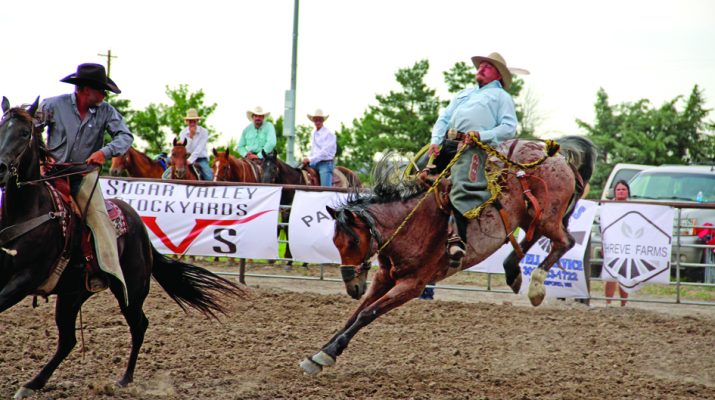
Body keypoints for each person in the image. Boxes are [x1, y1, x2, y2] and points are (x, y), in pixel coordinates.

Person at [40, 63, 133, 301]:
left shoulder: (106, 111)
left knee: (99, 219)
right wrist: (42, 156)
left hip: (83, 176)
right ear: (85, 89)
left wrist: (104, 152)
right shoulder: (52, 105)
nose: (104, 95)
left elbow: (125, 136)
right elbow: (30, 127)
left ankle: (104, 270)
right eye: (101, 90)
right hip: (50, 174)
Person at [427, 52, 518, 266]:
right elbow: (444, 118)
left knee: (463, 183)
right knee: (418, 175)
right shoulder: (464, 93)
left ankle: (458, 240)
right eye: (481, 65)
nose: (481, 68)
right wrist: (435, 140)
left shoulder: (501, 97)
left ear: (498, 75)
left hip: (474, 147)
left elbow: (509, 127)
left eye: (488, 66)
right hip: (447, 143)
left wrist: (481, 135)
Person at [604, 179, 630, 306]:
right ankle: (608, 303)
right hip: (611, 243)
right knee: (611, 275)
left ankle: (623, 304)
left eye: (623, 189)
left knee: (625, 276)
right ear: (614, 192)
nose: (621, 192)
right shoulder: (607, 206)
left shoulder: (634, 207)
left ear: (628, 192)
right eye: (618, 189)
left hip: (627, 244)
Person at [303, 109, 336, 186]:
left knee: (325, 189)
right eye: (316, 120)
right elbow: (313, 150)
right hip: (314, 162)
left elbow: (325, 152)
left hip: (325, 163)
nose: (317, 122)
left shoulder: (328, 134)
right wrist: (308, 158)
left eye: (319, 120)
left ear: (323, 121)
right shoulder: (314, 133)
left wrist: (310, 159)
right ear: (313, 121)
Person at [178, 108, 213, 180]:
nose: (192, 123)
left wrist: (190, 160)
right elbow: (185, 149)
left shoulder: (204, 132)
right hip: (185, 158)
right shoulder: (182, 132)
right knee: (166, 175)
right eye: (190, 121)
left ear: (197, 121)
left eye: (194, 121)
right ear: (187, 122)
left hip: (201, 159)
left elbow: (199, 148)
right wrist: (190, 136)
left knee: (209, 178)